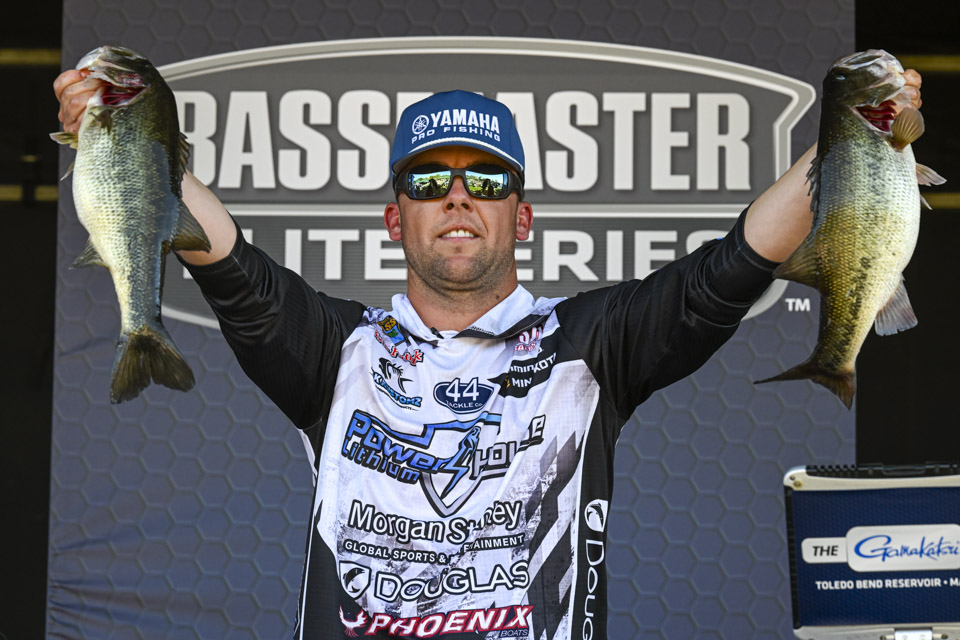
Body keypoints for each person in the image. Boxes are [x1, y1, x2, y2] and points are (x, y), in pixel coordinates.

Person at [55, 70, 921, 639]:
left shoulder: (592, 345)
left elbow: (733, 264)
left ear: (522, 214)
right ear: (396, 217)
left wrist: (857, 131)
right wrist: (120, 124)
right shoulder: (336, 350)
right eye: (430, 180)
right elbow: (225, 259)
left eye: (488, 179)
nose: (459, 197)